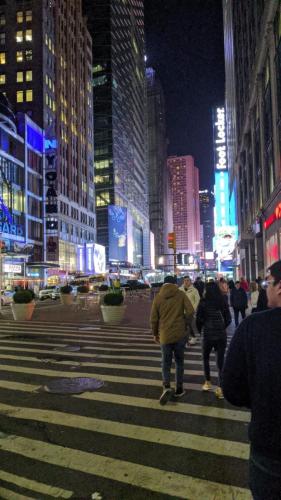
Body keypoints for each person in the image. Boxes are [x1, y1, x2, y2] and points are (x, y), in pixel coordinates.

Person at [222, 260, 281, 500]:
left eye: (268, 283)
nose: (264, 289)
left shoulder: (254, 327)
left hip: (272, 451)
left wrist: (262, 398)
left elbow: (232, 389)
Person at [150, 275, 194, 405]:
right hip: (180, 334)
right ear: (175, 284)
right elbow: (191, 311)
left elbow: (153, 319)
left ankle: (166, 386)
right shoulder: (180, 294)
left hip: (164, 335)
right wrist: (185, 323)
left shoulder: (158, 297)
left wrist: (154, 333)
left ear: (163, 284)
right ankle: (179, 388)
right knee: (179, 362)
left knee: (166, 362)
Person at [196, 282, 231, 399]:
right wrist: (222, 327)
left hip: (207, 335)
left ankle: (207, 382)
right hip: (221, 335)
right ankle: (220, 388)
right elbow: (229, 319)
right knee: (220, 361)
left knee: (205, 358)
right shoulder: (222, 301)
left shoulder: (203, 302)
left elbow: (198, 319)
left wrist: (201, 329)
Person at [179, 276, 200, 345]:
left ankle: (192, 337)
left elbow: (197, 300)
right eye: (185, 280)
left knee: (187, 324)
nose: (186, 282)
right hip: (181, 310)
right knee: (184, 325)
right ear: (183, 281)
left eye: (188, 280)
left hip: (190, 311)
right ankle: (187, 338)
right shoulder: (180, 289)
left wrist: (193, 309)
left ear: (190, 281)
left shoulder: (194, 290)